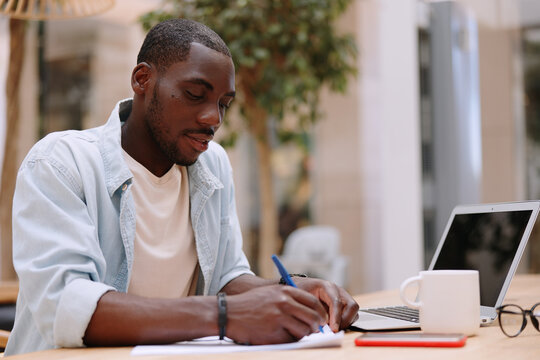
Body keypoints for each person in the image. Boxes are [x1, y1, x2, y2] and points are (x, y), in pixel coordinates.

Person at [5, 18, 359, 356]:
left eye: (224, 104)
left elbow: (226, 279)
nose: (213, 120)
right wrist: (225, 316)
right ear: (143, 79)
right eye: (194, 94)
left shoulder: (212, 164)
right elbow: (67, 306)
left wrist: (290, 290)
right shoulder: (60, 164)